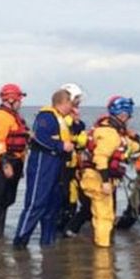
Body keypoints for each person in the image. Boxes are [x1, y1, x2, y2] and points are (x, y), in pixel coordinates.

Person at [12, 88, 75, 248]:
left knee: (53, 205)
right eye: (71, 103)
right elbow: (39, 136)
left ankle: (48, 242)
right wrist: (60, 145)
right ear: (63, 102)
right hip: (43, 163)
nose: (72, 107)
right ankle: (20, 242)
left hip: (57, 165)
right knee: (36, 203)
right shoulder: (46, 116)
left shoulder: (62, 119)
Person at [79, 96, 140, 247]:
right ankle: (103, 250)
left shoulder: (108, 130)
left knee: (102, 215)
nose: (128, 120)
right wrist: (105, 182)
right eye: (128, 116)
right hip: (98, 178)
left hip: (93, 177)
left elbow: (132, 146)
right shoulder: (110, 134)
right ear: (123, 115)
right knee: (104, 217)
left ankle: (101, 246)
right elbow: (100, 158)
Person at [0, 83, 30, 240]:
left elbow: (24, 140)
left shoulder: (15, 117)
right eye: (19, 99)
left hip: (14, 162)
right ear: (11, 99)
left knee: (6, 201)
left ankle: (0, 236)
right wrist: (5, 163)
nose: (20, 103)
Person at [56, 83, 87, 235]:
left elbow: (82, 140)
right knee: (64, 198)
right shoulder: (62, 119)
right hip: (63, 166)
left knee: (73, 198)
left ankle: (68, 228)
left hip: (74, 165)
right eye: (76, 100)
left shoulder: (75, 121)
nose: (78, 104)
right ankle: (60, 229)